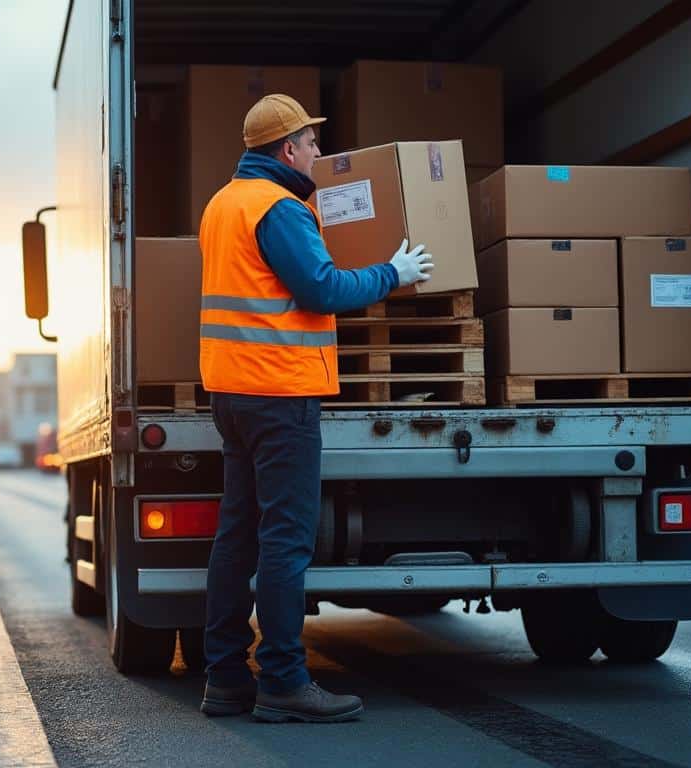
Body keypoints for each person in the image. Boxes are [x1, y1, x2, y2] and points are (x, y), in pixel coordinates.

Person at [197, 93, 434, 723]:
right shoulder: (279, 209)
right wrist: (393, 272)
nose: (319, 151)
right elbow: (322, 286)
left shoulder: (223, 204)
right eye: (311, 142)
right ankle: (282, 682)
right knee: (285, 542)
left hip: (233, 393)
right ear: (286, 150)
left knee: (237, 537)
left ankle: (223, 678)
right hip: (280, 394)